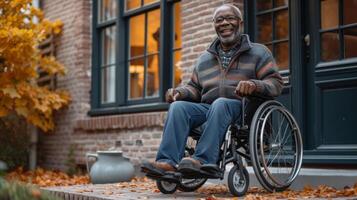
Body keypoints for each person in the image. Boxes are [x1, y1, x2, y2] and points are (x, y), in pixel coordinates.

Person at [147, 4, 283, 173]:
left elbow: (276, 83)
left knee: (221, 104)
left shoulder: (258, 52)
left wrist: (255, 85)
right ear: (214, 25)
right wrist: (179, 92)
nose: (224, 23)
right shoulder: (204, 59)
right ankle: (168, 162)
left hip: (243, 109)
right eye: (219, 20)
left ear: (240, 23)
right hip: (209, 109)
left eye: (230, 18)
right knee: (178, 107)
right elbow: (195, 89)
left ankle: (203, 160)